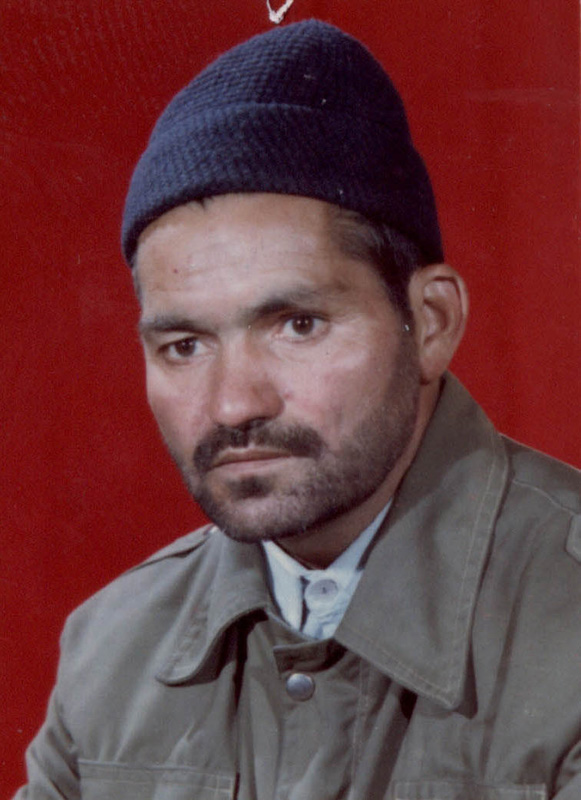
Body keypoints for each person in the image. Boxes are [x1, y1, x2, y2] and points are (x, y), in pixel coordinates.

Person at [15, 19, 581, 800]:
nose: (232, 403)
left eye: (297, 325)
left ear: (431, 322)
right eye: (185, 344)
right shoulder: (110, 650)